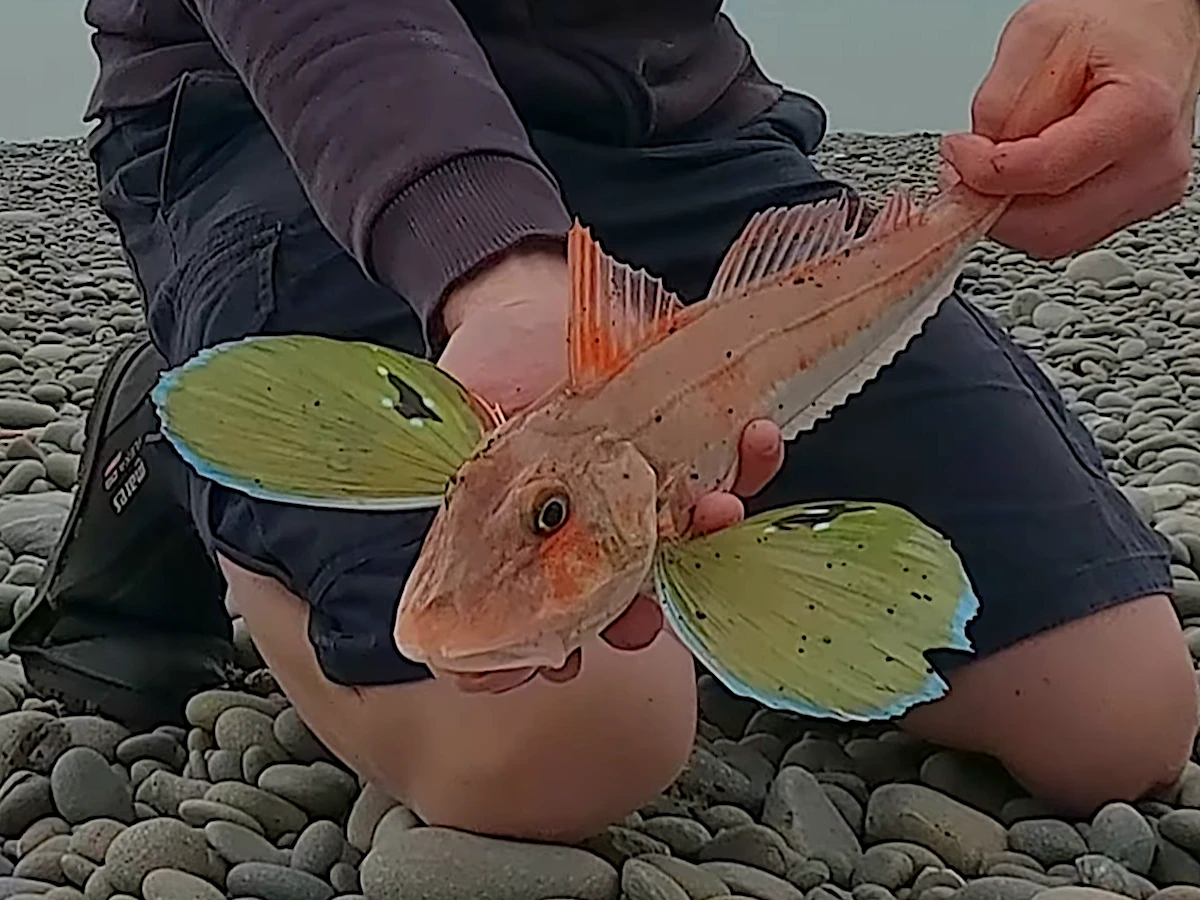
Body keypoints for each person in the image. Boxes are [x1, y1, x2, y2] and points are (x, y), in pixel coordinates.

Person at [11, 0, 1200, 841]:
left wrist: (1148, 20)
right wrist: (495, 268)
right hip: (289, 106)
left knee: (1117, 723)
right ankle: (204, 437)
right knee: (561, 747)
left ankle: (699, 572)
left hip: (660, 117)